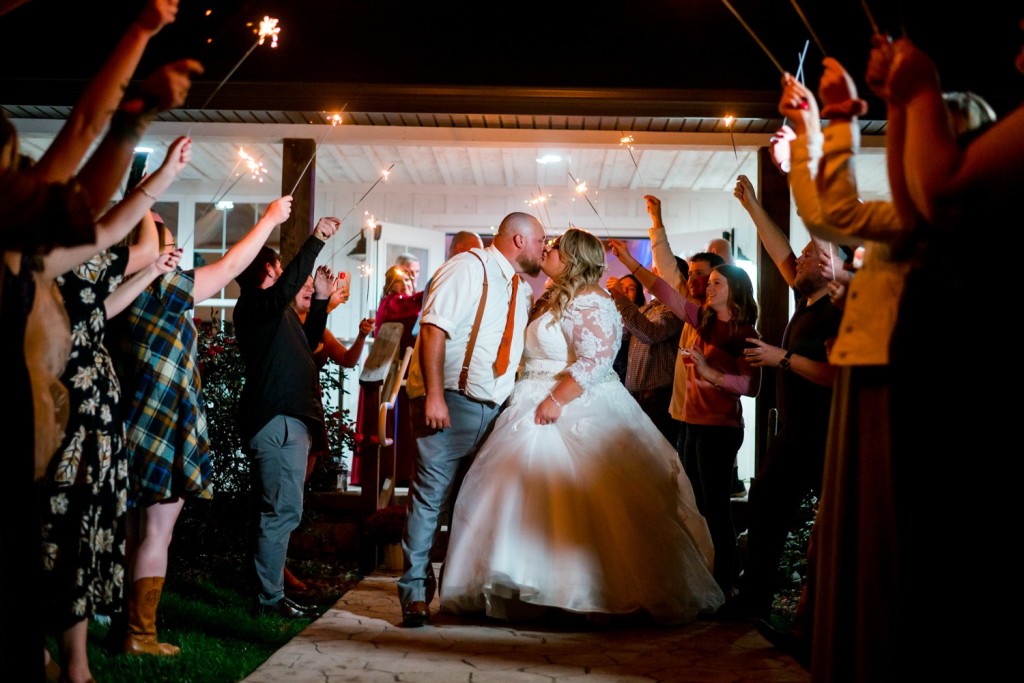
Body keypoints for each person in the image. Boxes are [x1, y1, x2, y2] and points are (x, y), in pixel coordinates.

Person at [440, 228, 725, 623]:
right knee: (517, 492)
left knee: (581, 497)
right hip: (532, 398)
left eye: (555, 247)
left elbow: (596, 359)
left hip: (569, 403)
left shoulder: (591, 299)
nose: (548, 250)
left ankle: (581, 589)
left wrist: (555, 401)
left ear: (573, 258)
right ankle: (523, 587)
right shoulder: (552, 296)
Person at [107, 194, 294, 654]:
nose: (173, 249)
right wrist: (269, 218)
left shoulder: (120, 289)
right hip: (163, 419)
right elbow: (231, 267)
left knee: (135, 531)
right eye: (163, 238)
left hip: (132, 418)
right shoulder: (162, 290)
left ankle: (125, 626)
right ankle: (141, 634)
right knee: (156, 533)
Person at [398, 211, 545, 627]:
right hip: (452, 402)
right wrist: (434, 396)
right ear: (518, 240)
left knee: (473, 506)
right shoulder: (467, 267)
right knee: (430, 501)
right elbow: (433, 330)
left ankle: (459, 590)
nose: (543, 248)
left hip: (495, 411)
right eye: (540, 241)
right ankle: (413, 594)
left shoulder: (519, 287)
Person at [611, 243, 760, 597]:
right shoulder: (700, 318)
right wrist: (631, 261)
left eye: (717, 283)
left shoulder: (744, 334)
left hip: (719, 430)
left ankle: (726, 581)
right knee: (695, 505)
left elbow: (751, 387)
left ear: (735, 291)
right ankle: (704, 573)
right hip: (690, 424)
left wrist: (711, 373)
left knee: (715, 507)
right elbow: (663, 290)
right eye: (709, 283)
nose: (708, 287)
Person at [728, 175, 841, 624]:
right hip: (793, 433)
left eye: (813, 254)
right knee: (767, 511)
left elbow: (837, 377)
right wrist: (753, 205)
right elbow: (780, 252)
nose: (802, 258)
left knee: (830, 526)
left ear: (834, 266)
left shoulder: (839, 309)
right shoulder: (805, 296)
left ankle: (822, 608)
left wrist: (782, 358)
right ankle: (753, 600)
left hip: (827, 435)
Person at [233, 217, 341, 619]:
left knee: (279, 510)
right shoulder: (254, 308)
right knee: (281, 511)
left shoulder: (275, 316)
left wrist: (324, 301)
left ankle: (268, 593)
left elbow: (309, 340)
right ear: (266, 271)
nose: (285, 276)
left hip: (289, 420)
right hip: (276, 419)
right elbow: (287, 286)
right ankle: (269, 599)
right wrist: (315, 240)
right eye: (278, 268)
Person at [283, 274, 372, 591]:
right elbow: (300, 346)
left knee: (296, 493)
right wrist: (328, 306)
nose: (308, 289)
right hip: (288, 408)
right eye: (304, 285)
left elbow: (348, 360)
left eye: (311, 285)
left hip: (312, 407)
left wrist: (362, 336)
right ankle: (276, 571)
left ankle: (280, 566)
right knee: (285, 491)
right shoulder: (285, 323)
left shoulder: (320, 326)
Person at [607, 261, 684, 445]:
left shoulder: (675, 308)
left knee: (661, 460)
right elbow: (619, 335)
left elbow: (650, 333)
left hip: (658, 399)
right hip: (636, 397)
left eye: (658, 270)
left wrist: (620, 296)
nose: (651, 273)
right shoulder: (649, 308)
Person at [374, 264, 423, 355]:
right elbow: (411, 303)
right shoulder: (390, 302)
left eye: (407, 280)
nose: (404, 284)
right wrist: (431, 290)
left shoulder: (398, 301)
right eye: (398, 281)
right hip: (394, 364)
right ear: (391, 285)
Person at [607, 272, 644, 383]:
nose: (624, 291)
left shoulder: (641, 318)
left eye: (631, 289)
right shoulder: (603, 312)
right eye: (621, 286)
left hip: (625, 373)